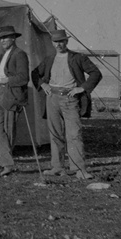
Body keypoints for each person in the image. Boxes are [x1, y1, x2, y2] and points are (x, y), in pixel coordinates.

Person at [31, 29, 102, 180]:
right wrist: (43, 85)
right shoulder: (49, 59)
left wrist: (81, 88)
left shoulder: (78, 58)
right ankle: (57, 167)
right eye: (56, 42)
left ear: (67, 42)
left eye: (62, 41)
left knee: (74, 134)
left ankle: (79, 169)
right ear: (52, 43)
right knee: (55, 134)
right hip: (52, 99)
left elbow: (96, 73)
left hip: (70, 100)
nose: (59, 44)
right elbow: (35, 74)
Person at [0, 25, 29, 176]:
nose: (2, 40)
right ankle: (4, 162)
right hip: (0, 93)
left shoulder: (19, 54)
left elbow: (24, 78)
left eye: (6, 37)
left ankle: (6, 164)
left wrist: (8, 79)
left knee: (8, 131)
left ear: (14, 38)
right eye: (1, 38)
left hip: (11, 94)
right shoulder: (5, 54)